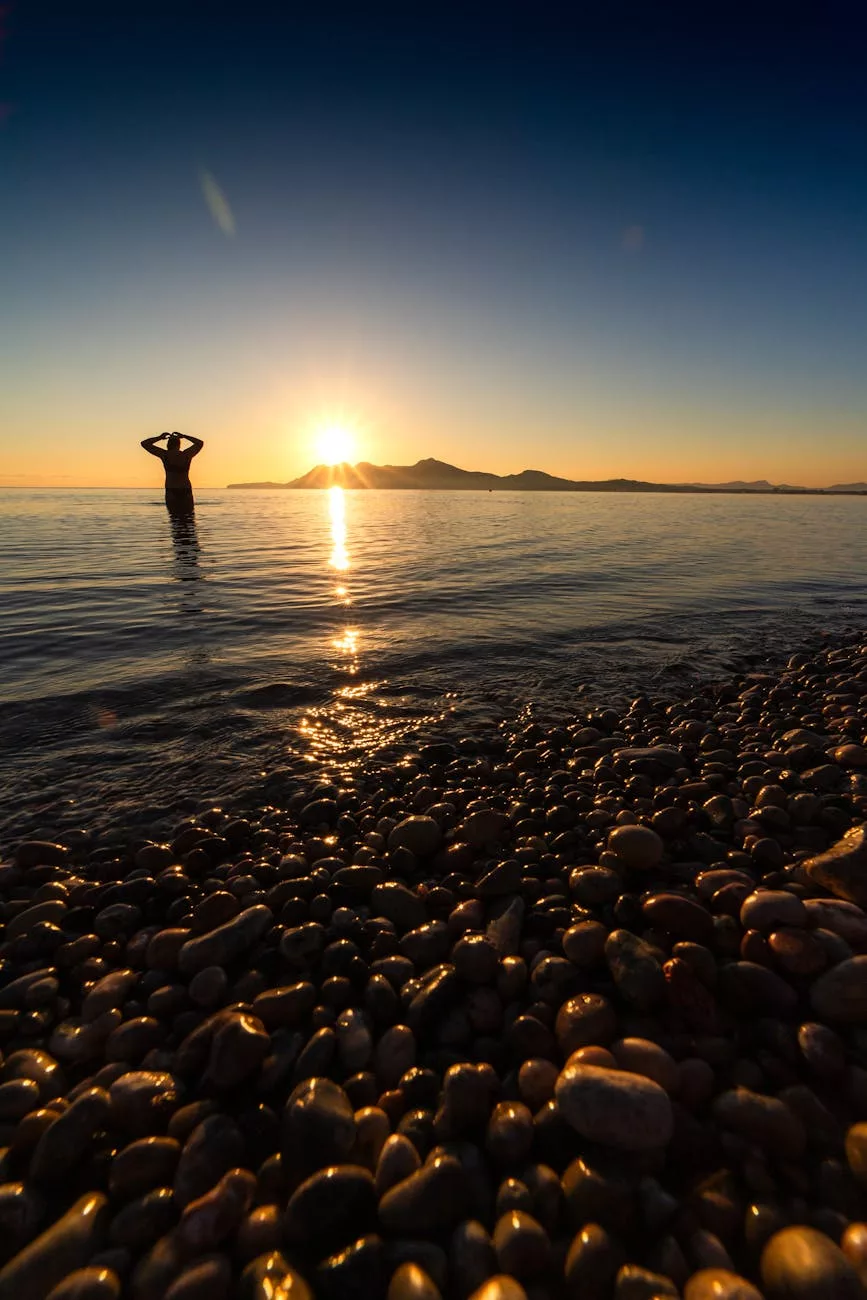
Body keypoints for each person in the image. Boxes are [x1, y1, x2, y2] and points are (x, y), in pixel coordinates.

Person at [141, 431, 204, 512]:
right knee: (189, 519)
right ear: (179, 445)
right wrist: (184, 436)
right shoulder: (186, 454)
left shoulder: (164, 455)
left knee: (174, 519)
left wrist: (159, 438)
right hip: (185, 489)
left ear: (168, 445)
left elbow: (144, 444)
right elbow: (200, 443)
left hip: (171, 490)